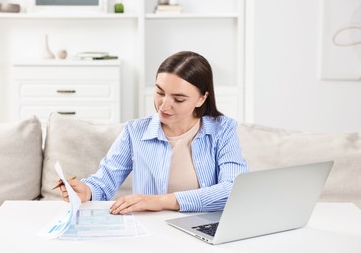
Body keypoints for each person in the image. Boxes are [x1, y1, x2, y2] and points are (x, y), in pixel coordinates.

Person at [59, 51, 248, 214]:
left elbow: (234, 189)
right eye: (160, 92)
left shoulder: (223, 130)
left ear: (201, 98)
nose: (164, 105)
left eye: (179, 99)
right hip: (151, 229)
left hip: (204, 229)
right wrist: (86, 190)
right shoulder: (135, 131)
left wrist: (161, 201)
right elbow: (104, 181)